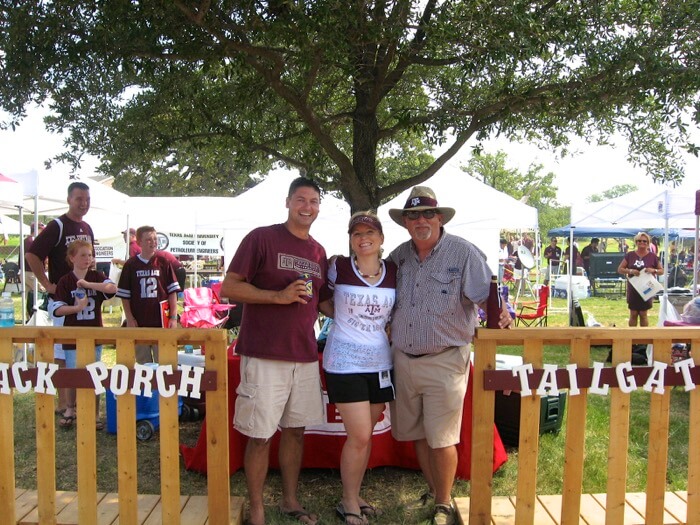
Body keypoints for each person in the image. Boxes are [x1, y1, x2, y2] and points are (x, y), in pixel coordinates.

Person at [387, 186, 512, 525]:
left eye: (428, 213)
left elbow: (489, 291)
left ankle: (444, 503)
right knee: (416, 433)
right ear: (405, 223)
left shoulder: (463, 253)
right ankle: (434, 488)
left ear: (440, 218)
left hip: (445, 358)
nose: (420, 220)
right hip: (403, 358)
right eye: (413, 215)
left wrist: (505, 312)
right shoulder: (398, 257)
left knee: (442, 437)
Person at [220, 177, 330, 525]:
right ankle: (256, 507)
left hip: (304, 354)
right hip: (264, 353)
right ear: (287, 202)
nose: (307, 207)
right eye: (301, 200)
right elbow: (229, 288)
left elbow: (324, 302)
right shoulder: (262, 238)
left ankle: (289, 500)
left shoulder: (318, 252)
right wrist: (277, 297)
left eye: (313, 202)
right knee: (261, 434)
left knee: (295, 430)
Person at [320, 212, 397, 525]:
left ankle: (355, 492)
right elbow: (321, 301)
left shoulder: (393, 270)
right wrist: (343, 319)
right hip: (344, 361)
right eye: (356, 234)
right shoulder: (338, 266)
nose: (363, 238)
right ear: (350, 239)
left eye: (370, 232)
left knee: (366, 436)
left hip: (380, 362)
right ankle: (348, 501)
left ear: (380, 238)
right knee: (361, 434)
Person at [26, 181, 94, 417]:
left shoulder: (86, 227)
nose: (83, 203)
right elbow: (32, 254)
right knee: (62, 354)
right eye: (79, 199)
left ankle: (73, 403)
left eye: (87, 199)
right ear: (68, 200)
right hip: (62, 299)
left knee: (78, 351)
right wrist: (46, 284)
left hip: (83, 299)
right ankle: (64, 404)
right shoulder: (57, 225)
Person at [51, 239, 116, 428]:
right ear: (72, 258)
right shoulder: (65, 281)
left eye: (90, 255)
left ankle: (93, 413)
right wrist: (76, 308)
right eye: (82, 255)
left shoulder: (97, 276)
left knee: (93, 373)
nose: (87, 258)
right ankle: (70, 408)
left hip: (94, 334)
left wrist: (88, 284)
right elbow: (56, 309)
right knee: (73, 372)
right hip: (73, 334)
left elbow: (112, 289)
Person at [116, 226, 180, 363]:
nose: (153, 242)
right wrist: (129, 318)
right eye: (149, 239)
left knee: (164, 364)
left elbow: (172, 292)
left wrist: (173, 317)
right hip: (140, 322)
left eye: (155, 239)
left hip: (161, 322)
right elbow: (125, 296)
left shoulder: (163, 262)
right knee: (144, 365)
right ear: (139, 242)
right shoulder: (131, 265)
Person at [617, 231, 663, 327]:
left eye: (644, 241)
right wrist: (630, 271)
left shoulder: (652, 256)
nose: (642, 243)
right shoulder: (630, 255)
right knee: (633, 313)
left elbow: (661, 271)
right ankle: (633, 338)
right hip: (633, 288)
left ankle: (644, 339)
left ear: (648, 242)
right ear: (636, 242)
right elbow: (620, 269)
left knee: (643, 314)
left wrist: (653, 270)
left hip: (647, 287)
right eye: (639, 241)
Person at [24, 222, 46, 318]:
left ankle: (29, 317)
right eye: (41, 230)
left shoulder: (26, 240)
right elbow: (33, 257)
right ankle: (36, 316)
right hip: (31, 272)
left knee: (28, 296)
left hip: (26, 272)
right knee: (41, 293)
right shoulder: (31, 241)